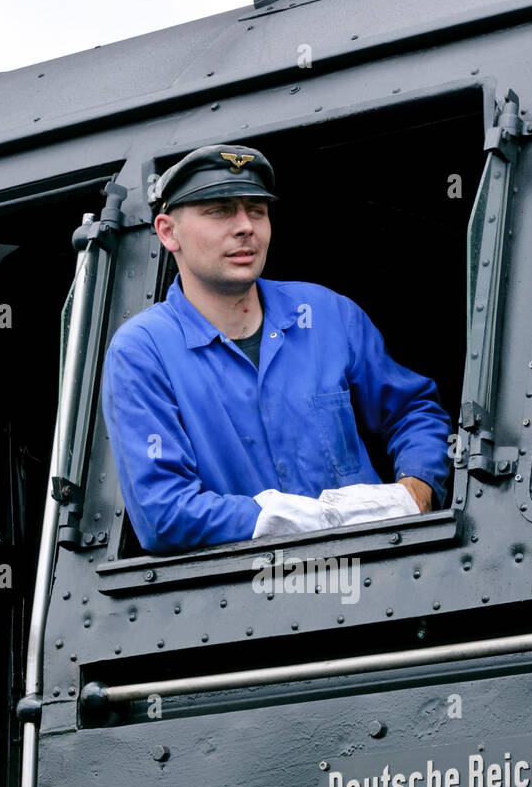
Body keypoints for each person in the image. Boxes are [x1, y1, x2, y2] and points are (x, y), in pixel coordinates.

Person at [102, 143, 452, 553]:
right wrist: (294, 518)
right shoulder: (143, 351)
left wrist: (419, 485)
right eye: (219, 210)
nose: (245, 226)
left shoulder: (325, 314)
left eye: (257, 210)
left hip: (383, 571)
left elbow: (413, 409)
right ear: (168, 232)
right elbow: (164, 514)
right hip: (252, 601)